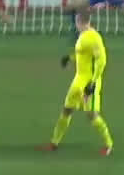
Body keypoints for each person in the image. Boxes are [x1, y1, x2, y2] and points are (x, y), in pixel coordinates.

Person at [42, 12, 114, 154]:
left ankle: (108, 144)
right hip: (78, 80)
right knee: (67, 110)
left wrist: (92, 83)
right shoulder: (83, 35)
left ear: (80, 22)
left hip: (89, 81)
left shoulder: (94, 37)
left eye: (76, 22)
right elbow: (83, 53)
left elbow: (102, 61)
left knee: (91, 114)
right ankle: (54, 142)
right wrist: (69, 58)